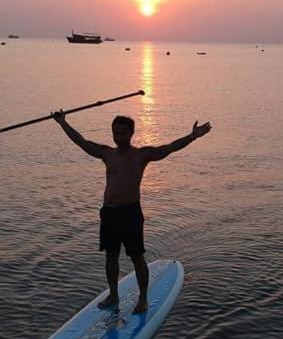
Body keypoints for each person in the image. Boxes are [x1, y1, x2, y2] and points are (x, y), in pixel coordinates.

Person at [54, 111, 212, 313]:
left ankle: (143, 299)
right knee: (111, 257)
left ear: (131, 134)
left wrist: (192, 136)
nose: (118, 137)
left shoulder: (141, 155)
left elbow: (169, 148)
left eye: (122, 133)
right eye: (115, 132)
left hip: (130, 214)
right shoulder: (106, 153)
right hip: (109, 213)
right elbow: (81, 141)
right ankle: (113, 295)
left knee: (137, 257)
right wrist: (63, 123)